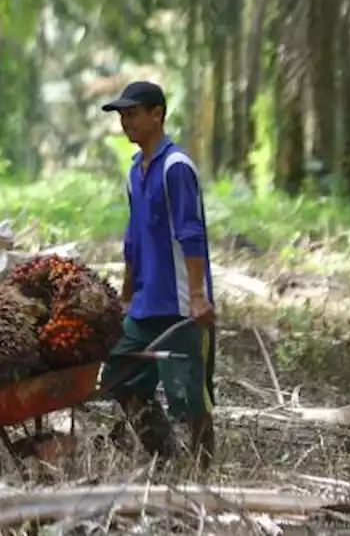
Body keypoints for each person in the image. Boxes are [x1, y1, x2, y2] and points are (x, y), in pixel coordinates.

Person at [97, 80, 217, 469]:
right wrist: (127, 295)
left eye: (132, 114)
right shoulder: (135, 171)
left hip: (180, 303)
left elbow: (191, 233)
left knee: (189, 395)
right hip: (146, 302)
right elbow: (134, 239)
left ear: (157, 115)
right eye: (122, 116)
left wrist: (198, 296)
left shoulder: (175, 167)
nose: (125, 123)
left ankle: (202, 470)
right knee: (119, 376)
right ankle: (162, 452)